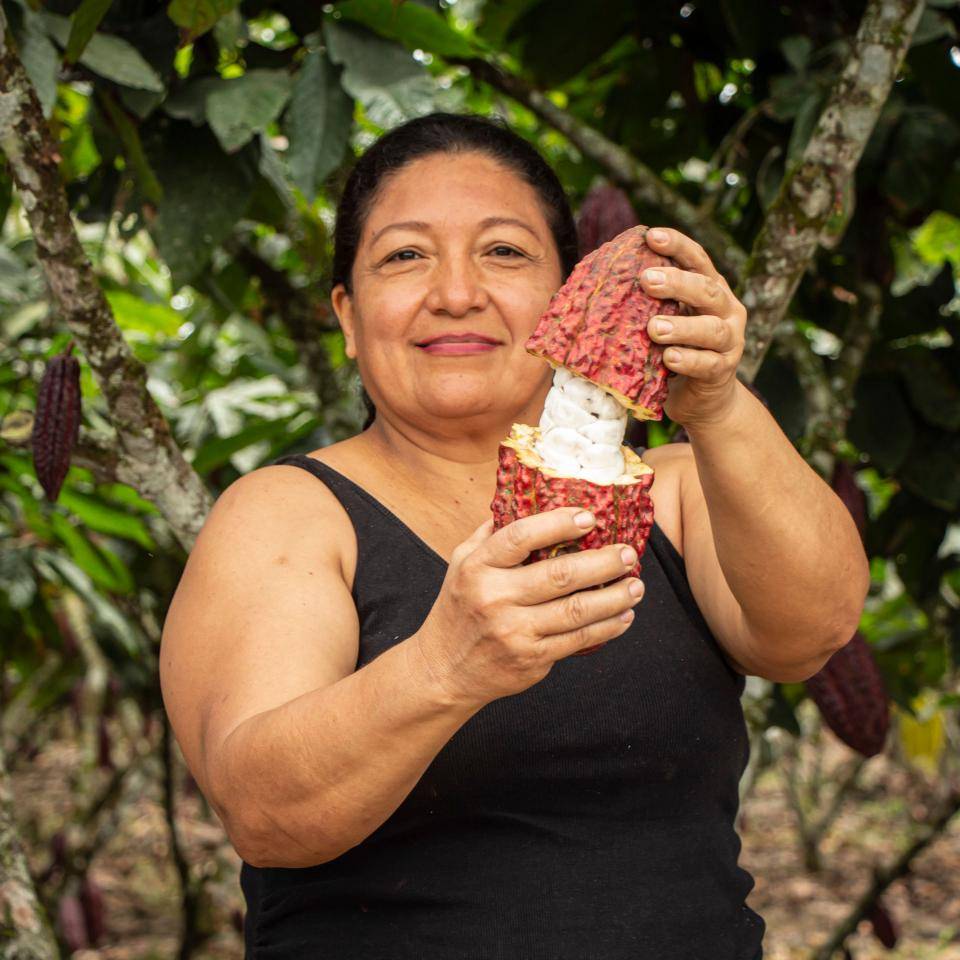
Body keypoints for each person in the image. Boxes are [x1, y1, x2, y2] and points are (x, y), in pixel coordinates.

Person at [159, 112, 870, 959]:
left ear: (568, 295)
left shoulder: (675, 485)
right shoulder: (284, 513)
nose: (456, 292)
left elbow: (812, 633)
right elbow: (267, 817)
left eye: (503, 251)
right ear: (347, 316)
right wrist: (444, 666)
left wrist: (716, 402)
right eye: (405, 255)